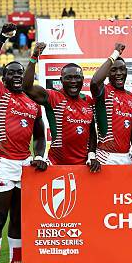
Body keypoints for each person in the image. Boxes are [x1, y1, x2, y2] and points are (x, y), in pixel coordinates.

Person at [0, 24, 47, 263]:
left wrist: (40, 155)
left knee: (19, 221)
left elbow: (40, 137)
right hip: (1, 162)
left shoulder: (33, 103)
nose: (17, 77)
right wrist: (1, 39)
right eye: (11, 73)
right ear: (4, 78)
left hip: (24, 165)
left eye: (20, 73)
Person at [24, 43, 100, 171]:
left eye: (77, 77)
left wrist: (91, 155)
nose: (73, 81)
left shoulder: (88, 101)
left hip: (84, 167)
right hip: (56, 164)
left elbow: (92, 132)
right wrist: (34, 57)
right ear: (61, 80)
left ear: (82, 79)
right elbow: (27, 87)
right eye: (68, 78)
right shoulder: (53, 97)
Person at [89, 44, 132, 169]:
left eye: (122, 69)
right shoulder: (103, 91)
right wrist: (116, 53)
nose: (119, 73)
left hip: (126, 157)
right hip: (105, 157)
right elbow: (95, 81)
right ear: (107, 73)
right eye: (114, 70)